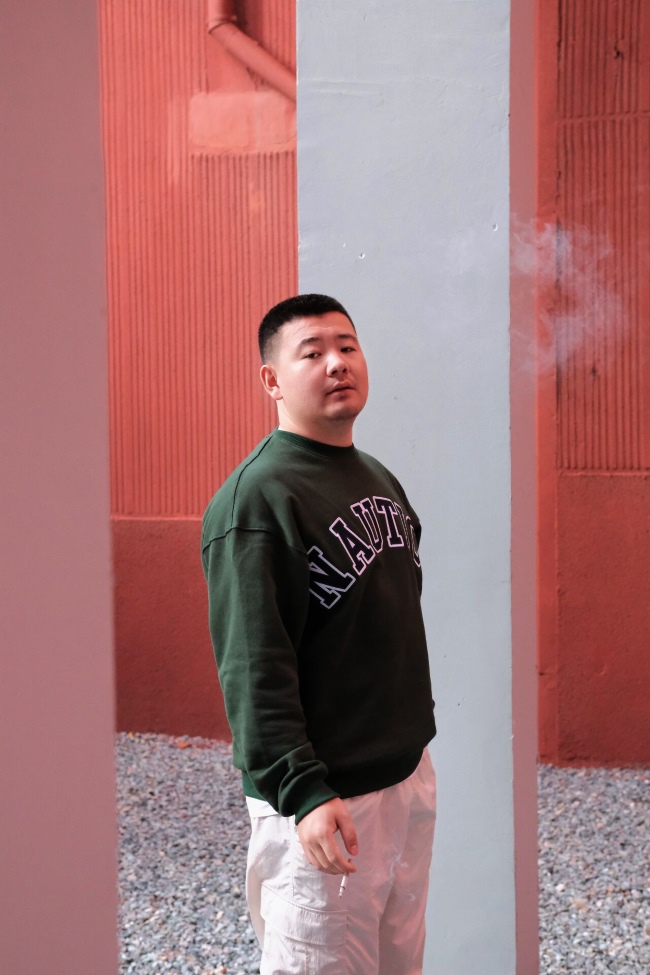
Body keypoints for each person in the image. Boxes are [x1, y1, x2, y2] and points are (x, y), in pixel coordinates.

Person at [201, 294, 437, 975]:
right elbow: (253, 668)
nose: (337, 363)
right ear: (272, 380)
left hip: (404, 779)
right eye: (312, 353)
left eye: (347, 346)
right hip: (326, 800)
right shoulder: (258, 500)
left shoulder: (376, 476)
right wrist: (302, 792)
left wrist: (412, 761)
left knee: (398, 965)